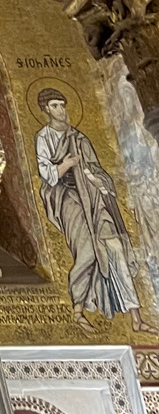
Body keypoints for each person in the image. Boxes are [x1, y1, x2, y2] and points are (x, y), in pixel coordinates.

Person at [36, 89, 149, 328]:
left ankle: (136, 318)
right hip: (67, 198)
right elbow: (47, 174)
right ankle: (77, 310)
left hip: (92, 198)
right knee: (87, 250)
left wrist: (100, 182)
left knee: (115, 247)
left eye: (62, 105)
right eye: (55, 106)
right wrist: (66, 164)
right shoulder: (44, 138)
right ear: (45, 109)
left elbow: (96, 169)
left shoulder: (79, 138)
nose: (61, 110)